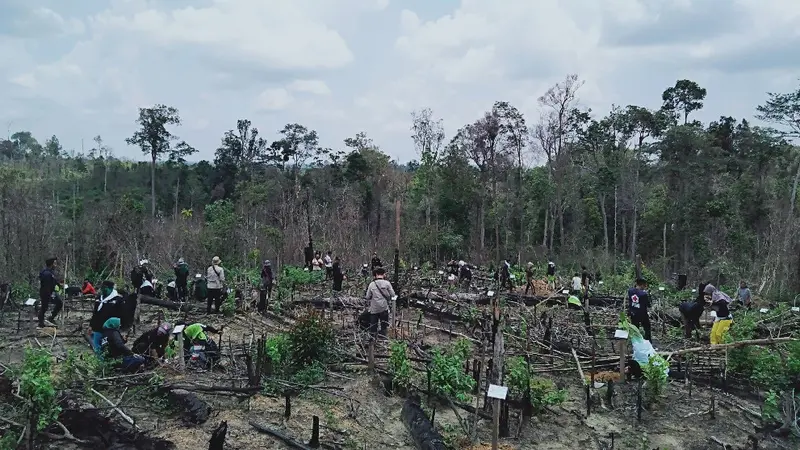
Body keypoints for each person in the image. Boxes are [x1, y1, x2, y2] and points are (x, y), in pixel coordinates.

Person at [90, 281, 124, 355]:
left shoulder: (118, 300)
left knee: (108, 348)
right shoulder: (99, 299)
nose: (103, 290)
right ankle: (99, 364)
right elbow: (95, 313)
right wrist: (91, 325)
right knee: (97, 348)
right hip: (97, 328)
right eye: (102, 288)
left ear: (111, 288)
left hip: (110, 330)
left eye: (105, 288)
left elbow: (121, 315)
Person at [365, 267, 395, 339]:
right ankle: (383, 339)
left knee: (373, 326)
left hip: (374, 309)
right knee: (384, 325)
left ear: (375, 274)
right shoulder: (387, 283)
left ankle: (372, 341)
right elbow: (393, 294)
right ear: (384, 274)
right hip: (384, 308)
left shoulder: (372, 284)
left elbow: (367, 297)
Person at [38, 257, 62, 328]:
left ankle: (51, 317)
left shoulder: (51, 272)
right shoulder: (46, 273)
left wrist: (59, 285)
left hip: (51, 292)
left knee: (59, 303)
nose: (56, 265)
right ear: (51, 264)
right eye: (55, 263)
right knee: (44, 307)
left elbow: (54, 281)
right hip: (46, 293)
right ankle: (41, 322)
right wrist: (50, 294)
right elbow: (46, 285)